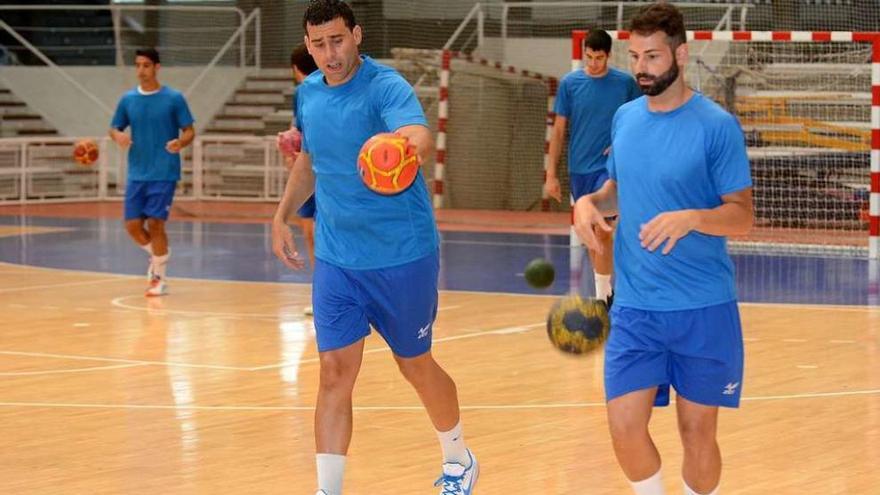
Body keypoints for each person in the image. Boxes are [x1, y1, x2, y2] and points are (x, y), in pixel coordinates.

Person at [270, 2, 477, 494]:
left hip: (401, 255)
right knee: (334, 372)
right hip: (339, 261)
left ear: (357, 35)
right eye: (318, 45)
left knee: (415, 365)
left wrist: (403, 146)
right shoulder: (309, 93)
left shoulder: (385, 86)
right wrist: (281, 214)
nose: (329, 53)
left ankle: (458, 457)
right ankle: (328, 489)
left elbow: (419, 135)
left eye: (337, 40)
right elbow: (310, 160)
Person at [572, 4, 753, 495]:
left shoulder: (716, 126)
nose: (642, 68)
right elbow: (617, 189)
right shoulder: (626, 118)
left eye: (652, 56)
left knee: (697, 435)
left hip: (703, 307)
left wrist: (693, 217)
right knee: (624, 426)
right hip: (635, 309)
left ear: (681, 53)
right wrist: (590, 203)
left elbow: (742, 214)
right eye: (634, 56)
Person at [545, 28, 641, 304]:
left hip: (609, 169)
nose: (593, 63)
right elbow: (560, 131)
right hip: (579, 169)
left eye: (599, 58)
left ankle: (602, 299)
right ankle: (605, 290)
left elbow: (641, 118)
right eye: (589, 57)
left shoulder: (624, 84)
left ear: (608, 55)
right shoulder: (570, 84)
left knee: (604, 230)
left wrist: (622, 141)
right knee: (589, 232)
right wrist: (551, 175)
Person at [109, 47, 195, 297]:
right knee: (133, 226)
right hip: (137, 171)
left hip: (164, 171)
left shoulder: (174, 98)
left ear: (157, 67)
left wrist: (181, 142)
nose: (141, 70)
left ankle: (159, 278)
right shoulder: (127, 100)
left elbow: (189, 130)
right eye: (137, 65)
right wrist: (119, 136)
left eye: (146, 65)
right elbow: (113, 128)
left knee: (156, 224)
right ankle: (160, 255)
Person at [277, 43, 320, 270]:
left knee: (314, 232)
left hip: (321, 169)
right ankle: (320, 290)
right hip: (310, 166)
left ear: (295, 68)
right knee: (310, 230)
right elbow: (301, 130)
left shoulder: (304, 91)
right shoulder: (302, 93)